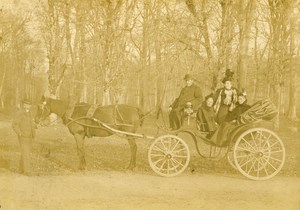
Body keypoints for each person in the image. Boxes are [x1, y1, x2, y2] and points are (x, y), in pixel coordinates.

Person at [12, 99, 36, 175]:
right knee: (26, 153)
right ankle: (27, 171)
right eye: (26, 104)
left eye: (29, 104)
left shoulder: (31, 114)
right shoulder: (20, 113)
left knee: (25, 152)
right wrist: (19, 133)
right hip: (23, 136)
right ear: (23, 105)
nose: (27, 106)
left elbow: (32, 124)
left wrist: (36, 126)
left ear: (30, 106)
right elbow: (14, 124)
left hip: (30, 136)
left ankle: (21, 169)